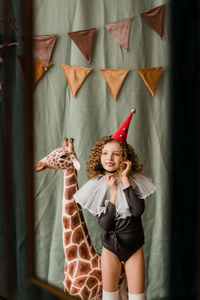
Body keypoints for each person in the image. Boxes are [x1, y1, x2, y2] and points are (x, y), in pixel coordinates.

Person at [74, 109, 156, 300]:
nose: (109, 158)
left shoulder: (133, 181)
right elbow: (105, 225)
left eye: (116, 154)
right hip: (110, 247)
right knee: (109, 296)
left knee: (137, 297)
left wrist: (125, 180)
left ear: (125, 158)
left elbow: (137, 210)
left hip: (134, 246)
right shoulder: (95, 186)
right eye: (105, 153)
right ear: (99, 156)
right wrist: (113, 192)